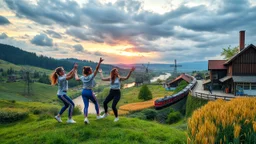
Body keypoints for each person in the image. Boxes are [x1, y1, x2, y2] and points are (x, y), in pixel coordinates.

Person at [74, 58, 104, 124]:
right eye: (91, 70)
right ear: (89, 72)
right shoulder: (91, 77)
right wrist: (99, 62)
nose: (92, 70)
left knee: (86, 106)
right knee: (96, 102)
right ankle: (98, 116)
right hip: (89, 92)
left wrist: (75, 71)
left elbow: (76, 78)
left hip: (83, 92)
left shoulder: (82, 77)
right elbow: (96, 69)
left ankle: (85, 118)